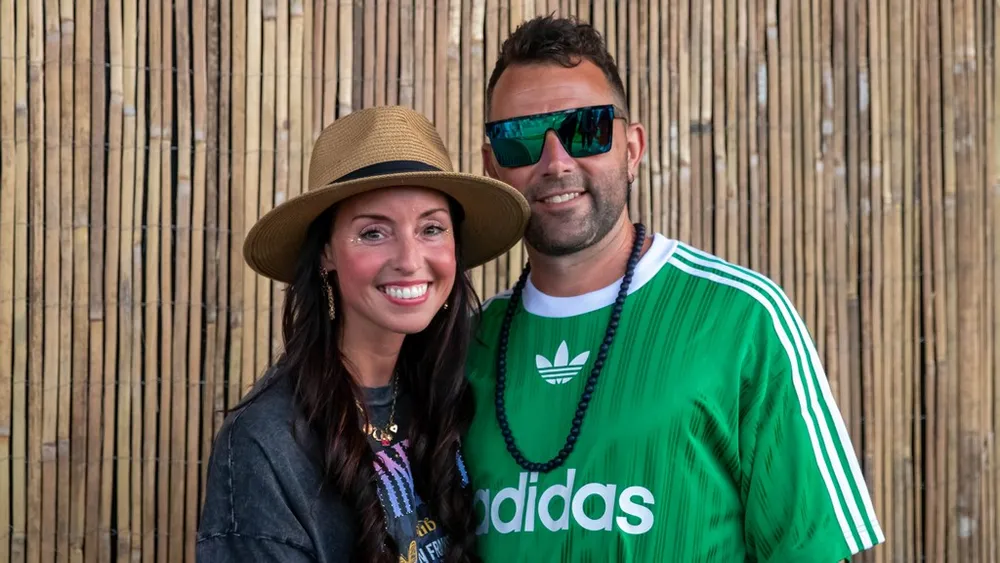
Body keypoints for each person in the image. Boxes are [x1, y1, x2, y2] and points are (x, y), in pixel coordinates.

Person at [461, 15, 885, 562]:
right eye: (519, 139)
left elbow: (811, 550)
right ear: (492, 167)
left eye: (585, 129)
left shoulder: (741, 318)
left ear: (632, 149)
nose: (555, 161)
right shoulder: (469, 345)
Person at [196, 105, 530, 563]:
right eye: (373, 233)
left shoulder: (450, 393)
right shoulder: (267, 443)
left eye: (432, 228)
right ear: (325, 253)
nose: (410, 260)